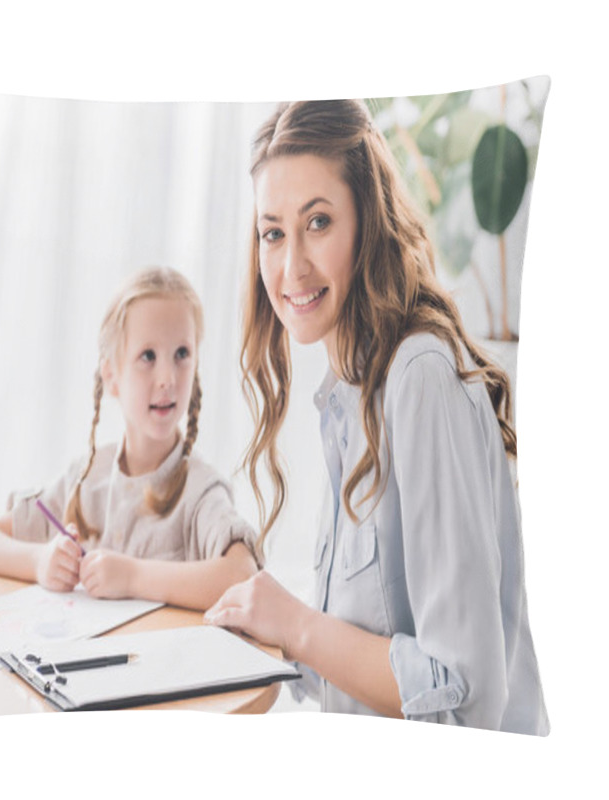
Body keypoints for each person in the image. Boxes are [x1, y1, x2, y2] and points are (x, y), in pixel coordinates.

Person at [204, 100, 549, 733]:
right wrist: (263, 628)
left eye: (319, 221)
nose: (291, 268)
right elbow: (368, 642)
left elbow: (465, 697)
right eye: (273, 232)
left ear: (369, 221)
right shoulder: (349, 389)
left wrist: (297, 625)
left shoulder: (418, 378)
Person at [0, 267, 259, 610]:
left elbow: (243, 575)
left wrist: (133, 577)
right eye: (148, 356)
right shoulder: (85, 481)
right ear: (112, 377)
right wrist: (41, 560)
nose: (167, 378)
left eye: (182, 354)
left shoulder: (200, 490)